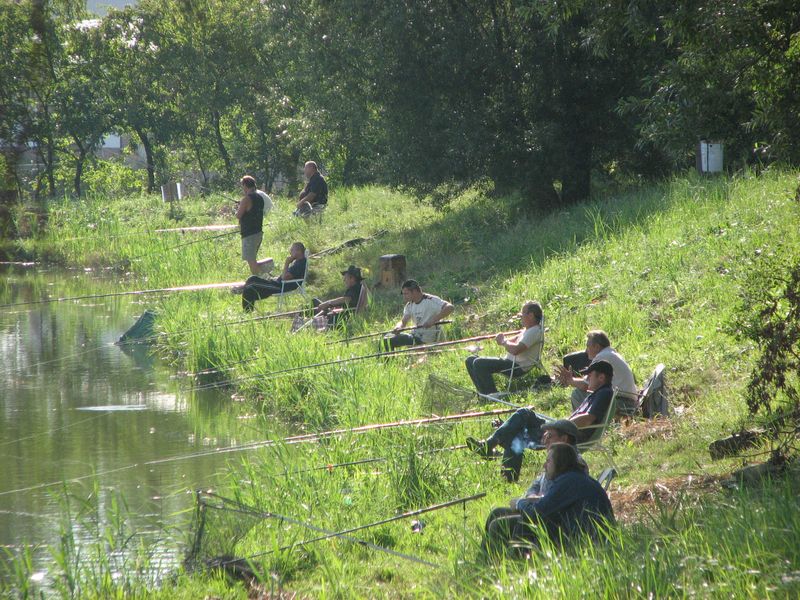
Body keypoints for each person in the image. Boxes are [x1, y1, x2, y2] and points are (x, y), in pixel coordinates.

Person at [467, 360, 615, 482]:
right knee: (521, 422)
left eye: (590, 375)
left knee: (521, 423)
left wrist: (560, 426)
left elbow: (588, 419)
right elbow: (584, 389)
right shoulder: (597, 392)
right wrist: (570, 381)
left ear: (601, 378)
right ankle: (504, 471)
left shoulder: (603, 393)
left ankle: (496, 455)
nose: (587, 378)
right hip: (566, 429)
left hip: (569, 435)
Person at [483, 443, 614, 556]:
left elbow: (536, 514)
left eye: (548, 461)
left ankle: (507, 566)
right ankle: (483, 563)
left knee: (503, 524)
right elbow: (548, 506)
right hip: (569, 527)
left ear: (560, 462)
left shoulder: (569, 481)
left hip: (583, 540)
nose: (544, 466)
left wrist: (519, 503)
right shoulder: (571, 478)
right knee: (498, 513)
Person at [464, 301, 544, 396]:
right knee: (470, 360)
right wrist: (502, 340)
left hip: (517, 367)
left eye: (522, 313)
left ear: (531, 315)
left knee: (479, 363)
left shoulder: (534, 331)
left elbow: (515, 350)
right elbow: (511, 340)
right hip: (510, 363)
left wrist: (503, 342)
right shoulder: (527, 330)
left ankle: (493, 394)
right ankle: (483, 394)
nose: (520, 316)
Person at [554, 330, 637, 415]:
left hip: (620, 402)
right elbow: (590, 382)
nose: (586, 351)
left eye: (588, 346)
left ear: (597, 347)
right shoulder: (611, 354)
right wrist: (572, 380)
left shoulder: (602, 357)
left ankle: (582, 425)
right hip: (629, 402)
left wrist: (570, 380)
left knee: (578, 394)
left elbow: (586, 385)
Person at [382, 280, 454, 350]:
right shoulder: (409, 305)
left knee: (390, 340)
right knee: (386, 338)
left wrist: (433, 320)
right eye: (403, 294)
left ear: (415, 291)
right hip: (415, 336)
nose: (404, 296)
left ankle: (386, 360)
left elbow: (450, 307)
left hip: (427, 339)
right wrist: (398, 327)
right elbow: (403, 321)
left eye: (406, 293)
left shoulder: (430, 300)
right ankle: (387, 360)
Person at [240, 242, 307, 312]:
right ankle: (243, 290)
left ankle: (247, 312)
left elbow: (285, 278)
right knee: (252, 279)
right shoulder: (298, 262)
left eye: (292, 250)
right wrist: (276, 278)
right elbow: (285, 276)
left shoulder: (300, 264)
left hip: (280, 287)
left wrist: (287, 263)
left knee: (250, 286)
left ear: (298, 251)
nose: (290, 252)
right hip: (278, 283)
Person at [236, 175, 272, 275]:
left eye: (242, 186)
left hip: (249, 235)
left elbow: (238, 215)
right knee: (252, 259)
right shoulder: (260, 198)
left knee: (251, 261)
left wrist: (238, 207)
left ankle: (259, 281)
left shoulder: (246, 199)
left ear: (244, 185)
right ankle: (263, 276)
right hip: (258, 233)